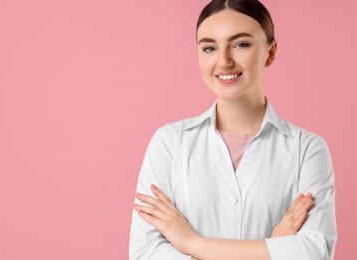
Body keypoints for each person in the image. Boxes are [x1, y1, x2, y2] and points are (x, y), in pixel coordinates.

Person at [129, 0, 337, 259]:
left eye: (241, 44)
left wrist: (192, 243)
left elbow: (314, 252)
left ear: (270, 53)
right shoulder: (170, 143)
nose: (224, 61)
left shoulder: (307, 149)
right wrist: (272, 248)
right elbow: (145, 254)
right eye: (209, 48)